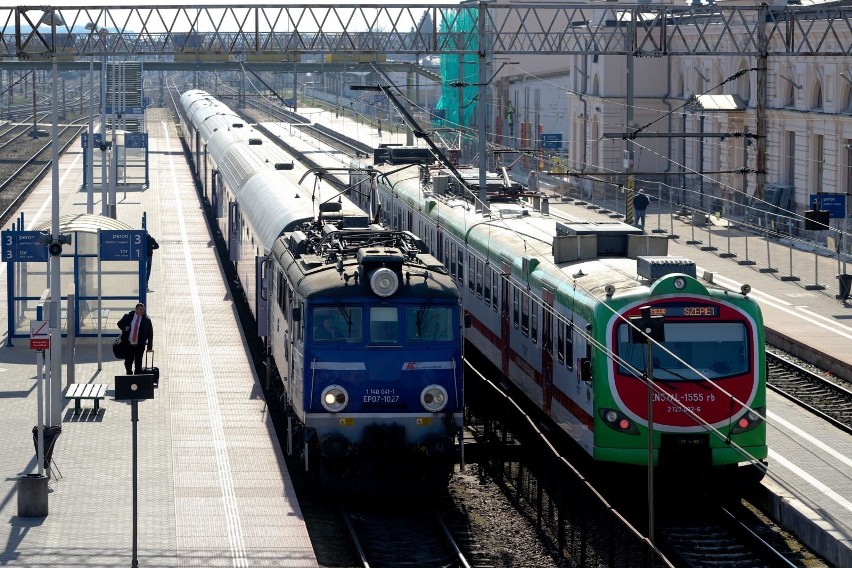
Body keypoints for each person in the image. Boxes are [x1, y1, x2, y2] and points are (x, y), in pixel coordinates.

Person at [117, 303, 154, 375]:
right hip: (128, 345)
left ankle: (137, 379)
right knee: (128, 362)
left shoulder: (147, 321)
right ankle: (129, 376)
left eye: (143, 310)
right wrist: (124, 328)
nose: (142, 311)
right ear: (136, 309)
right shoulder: (128, 317)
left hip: (139, 346)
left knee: (138, 364)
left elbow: (150, 334)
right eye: (141, 309)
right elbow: (119, 323)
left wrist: (149, 347)